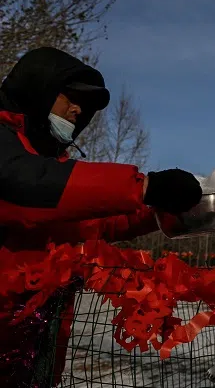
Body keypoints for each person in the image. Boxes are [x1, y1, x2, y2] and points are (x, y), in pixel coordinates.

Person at [0, 46, 203, 387]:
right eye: (71, 97)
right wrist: (144, 187)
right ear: (39, 89)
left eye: (87, 105)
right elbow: (24, 189)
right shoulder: (13, 152)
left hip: (36, 348)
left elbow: (88, 224)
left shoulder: (52, 164)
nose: (79, 111)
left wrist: (155, 214)